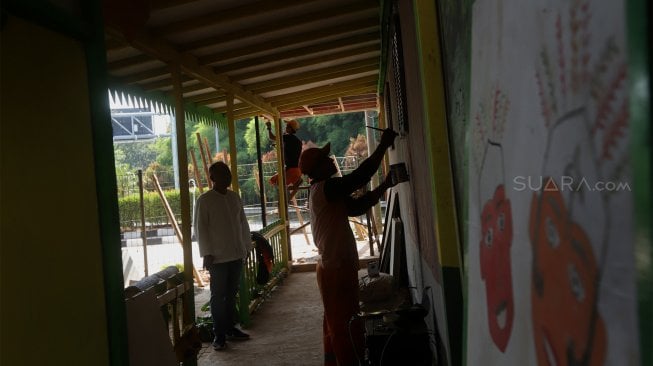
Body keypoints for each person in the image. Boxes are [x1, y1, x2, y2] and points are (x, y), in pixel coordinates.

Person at [298, 128, 398, 365]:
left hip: (334, 266)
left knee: (336, 323)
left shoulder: (325, 190)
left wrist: (384, 187)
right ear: (317, 169)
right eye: (325, 159)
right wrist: (383, 146)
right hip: (335, 268)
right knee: (345, 325)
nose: (330, 160)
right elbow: (359, 177)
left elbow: (354, 208)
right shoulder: (327, 188)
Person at [194, 161, 252, 351]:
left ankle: (231, 329)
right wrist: (207, 253)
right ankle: (219, 335)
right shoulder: (205, 200)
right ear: (212, 178)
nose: (228, 177)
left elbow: (243, 225)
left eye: (228, 173)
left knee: (231, 294)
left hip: (236, 255)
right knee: (218, 297)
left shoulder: (235, 198)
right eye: (223, 174)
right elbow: (201, 229)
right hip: (217, 258)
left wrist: (247, 247)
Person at [266, 119, 303, 187]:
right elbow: (290, 151)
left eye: (287, 126)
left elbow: (272, 137)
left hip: (291, 170)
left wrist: (269, 128)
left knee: (274, 180)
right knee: (280, 183)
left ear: (290, 129)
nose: (285, 127)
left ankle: (293, 186)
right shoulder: (297, 141)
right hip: (297, 169)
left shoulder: (287, 137)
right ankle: (296, 182)